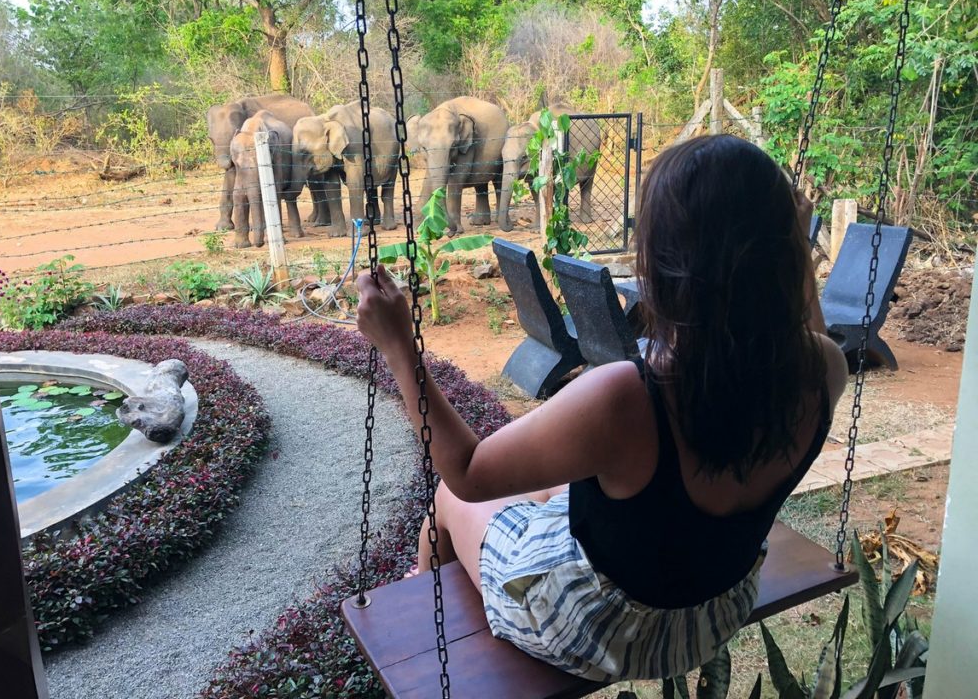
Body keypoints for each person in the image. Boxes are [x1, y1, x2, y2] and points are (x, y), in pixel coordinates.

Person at [354, 134, 848, 681]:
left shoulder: (628, 398)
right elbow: (807, 331)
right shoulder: (823, 369)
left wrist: (399, 346)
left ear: (663, 262)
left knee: (448, 499)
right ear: (783, 254)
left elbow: (468, 472)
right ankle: (417, 596)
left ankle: (416, 635)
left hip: (598, 629)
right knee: (552, 490)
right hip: (712, 613)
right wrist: (795, 245)